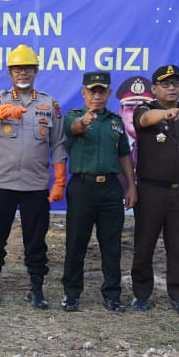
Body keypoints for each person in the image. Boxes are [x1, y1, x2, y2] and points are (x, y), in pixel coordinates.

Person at [0, 44, 68, 309]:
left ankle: (37, 288)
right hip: (3, 183)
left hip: (35, 185)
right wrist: (3, 111)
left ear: (35, 71)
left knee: (36, 240)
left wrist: (60, 180)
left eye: (28, 68)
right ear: (10, 72)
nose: (23, 73)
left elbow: (58, 145)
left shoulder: (48, 104)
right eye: (18, 69)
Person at [130, 64, 179, 316]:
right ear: (154, 89)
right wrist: (165, 115)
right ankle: (141, 294)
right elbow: (143, 121)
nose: (172, 88)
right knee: (144, 244)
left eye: (176, 84)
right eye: (166, 84)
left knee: (178, 245)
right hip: (151, 191)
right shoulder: (146, 109)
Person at [61, 71, 138, 312]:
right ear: (83, 93)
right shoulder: (74, 116)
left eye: (101, 91)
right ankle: (71, 293)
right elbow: (72, 129)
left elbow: (124, 154)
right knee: (76, 243)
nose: (97, 95)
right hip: (82, 187)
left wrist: (131, 186)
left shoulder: (116, 121)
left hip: (110, 189)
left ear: (109, 93)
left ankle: (112, 294)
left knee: (111, 244)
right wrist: (85, 121)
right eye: (92, 91)